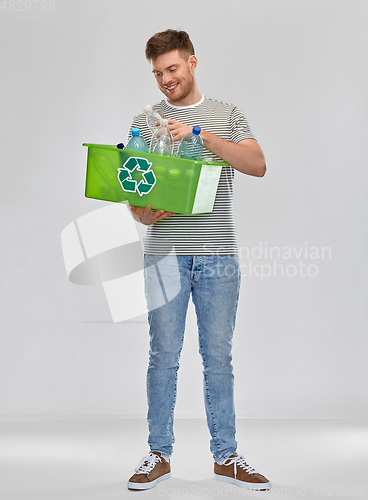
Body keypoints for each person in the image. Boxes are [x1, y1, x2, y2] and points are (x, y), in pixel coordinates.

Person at [126, 29, 271, 492]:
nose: (165, 80)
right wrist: (143, 212)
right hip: (164, 256)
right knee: (163, 356)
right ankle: (158, 454)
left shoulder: (226, 114)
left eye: (172, 69)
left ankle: (226, 456)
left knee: (218, 359)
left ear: (192, 62)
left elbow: (256, 163)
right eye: (157, 73)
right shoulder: (145, 120)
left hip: (217, 257)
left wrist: (198, 133)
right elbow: (133, 192)